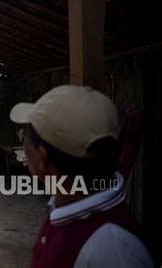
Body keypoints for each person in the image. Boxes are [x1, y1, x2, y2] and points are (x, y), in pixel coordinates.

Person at [9, 85, 154, 268]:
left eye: (24, 137)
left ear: (42, 158)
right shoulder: (66, 204)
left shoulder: (114, 253)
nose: (23, 143)